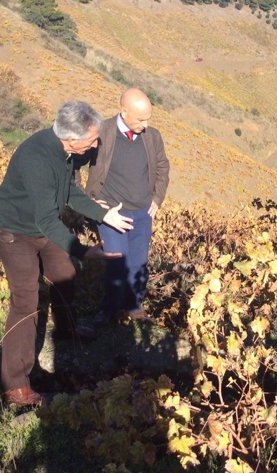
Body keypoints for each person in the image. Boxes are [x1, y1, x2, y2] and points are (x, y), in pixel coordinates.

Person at [0, 101, 134, 406]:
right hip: (14, 231)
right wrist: (82, 250)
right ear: (72, 139)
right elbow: (46, 220)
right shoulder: (37, 159)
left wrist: (102, 215)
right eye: (93, 140)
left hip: (41, 226)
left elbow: (68, 192)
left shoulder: (64, 152)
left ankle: (67, 329)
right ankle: (14, 384)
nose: (97, 144)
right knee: (26, 299)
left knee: (65, 273)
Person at [85, 88, 170, 324]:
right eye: (141, 119)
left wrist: (157, 198)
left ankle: (135, 308)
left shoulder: (152, 137)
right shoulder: (102, 133)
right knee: (116, 262)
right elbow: (76, 158)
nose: (145, 124)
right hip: (112, 212)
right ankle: (109, 310)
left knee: (138, 263)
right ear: (124, 112)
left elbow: (163, 167)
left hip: (143, 212)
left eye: (148, 119)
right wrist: (90, 200)